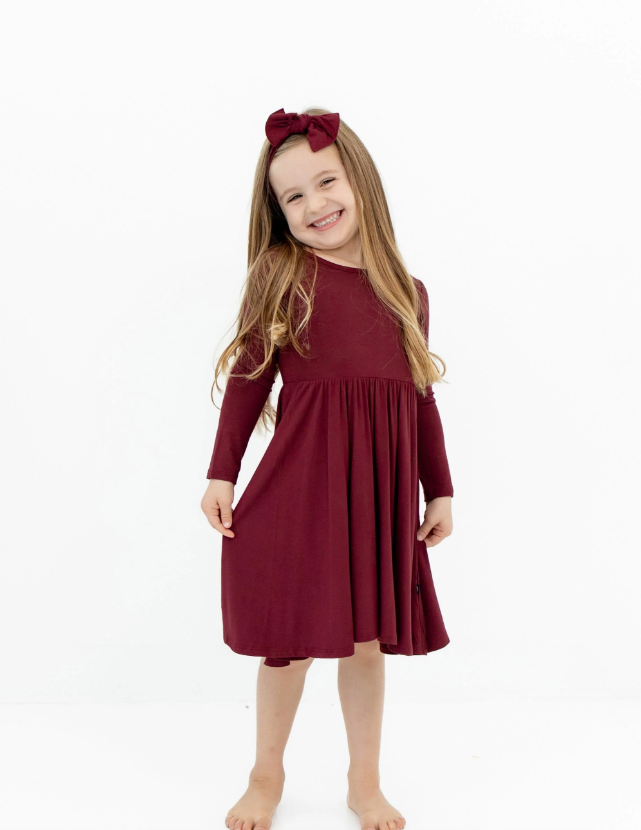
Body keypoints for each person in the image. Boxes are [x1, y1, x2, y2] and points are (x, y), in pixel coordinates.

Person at [200, 106, 455, 830]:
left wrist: (439, 488)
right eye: (293, 196)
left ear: (360, 181)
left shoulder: (408, 291)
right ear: (278, 214)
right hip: (301, 490)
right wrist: (221, 473)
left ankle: (363, 782)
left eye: (326, 182)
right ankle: (266, 774)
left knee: (366, 644)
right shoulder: (282, 275)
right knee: (287, 646)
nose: (315, 204)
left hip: (375, 496)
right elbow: (249, 379)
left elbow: (420, 396)